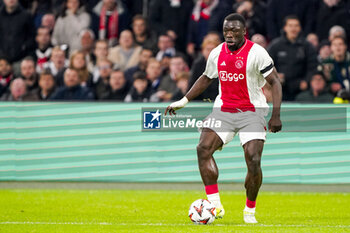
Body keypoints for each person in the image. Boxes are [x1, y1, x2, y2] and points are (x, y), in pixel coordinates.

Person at [165, 13, 282, 224]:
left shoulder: (257, 53)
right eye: (226, 30)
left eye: (234, 30)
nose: (229, 34)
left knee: (253, 159)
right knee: (203, 149)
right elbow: (206, 78)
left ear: (244, 32)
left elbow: (275, 82)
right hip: (223, 110)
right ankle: (215, 205)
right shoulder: (217, 52)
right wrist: (183, 101)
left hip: (252, 111)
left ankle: (249, 210)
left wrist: (276, 115)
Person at [268, 15, 318, 101]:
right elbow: (266, 65)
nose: (293, 29)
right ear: (285, 28)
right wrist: (275, 76)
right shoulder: (275, 45)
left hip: (301, 89)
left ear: (300, 28)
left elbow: (313, 66)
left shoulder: (307, 46)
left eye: (296, 26)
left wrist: (307, 81)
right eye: (290, 26)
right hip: (280, 87)